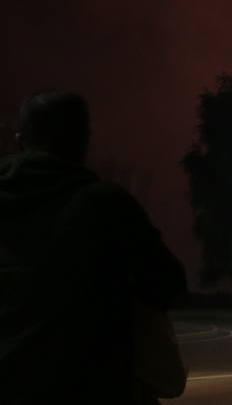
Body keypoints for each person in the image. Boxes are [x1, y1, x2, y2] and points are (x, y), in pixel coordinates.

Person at [0, 90, 187, 404]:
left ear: (20, 141)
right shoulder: (107, 204)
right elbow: (167, 284)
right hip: (91, 385)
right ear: (83, 142)